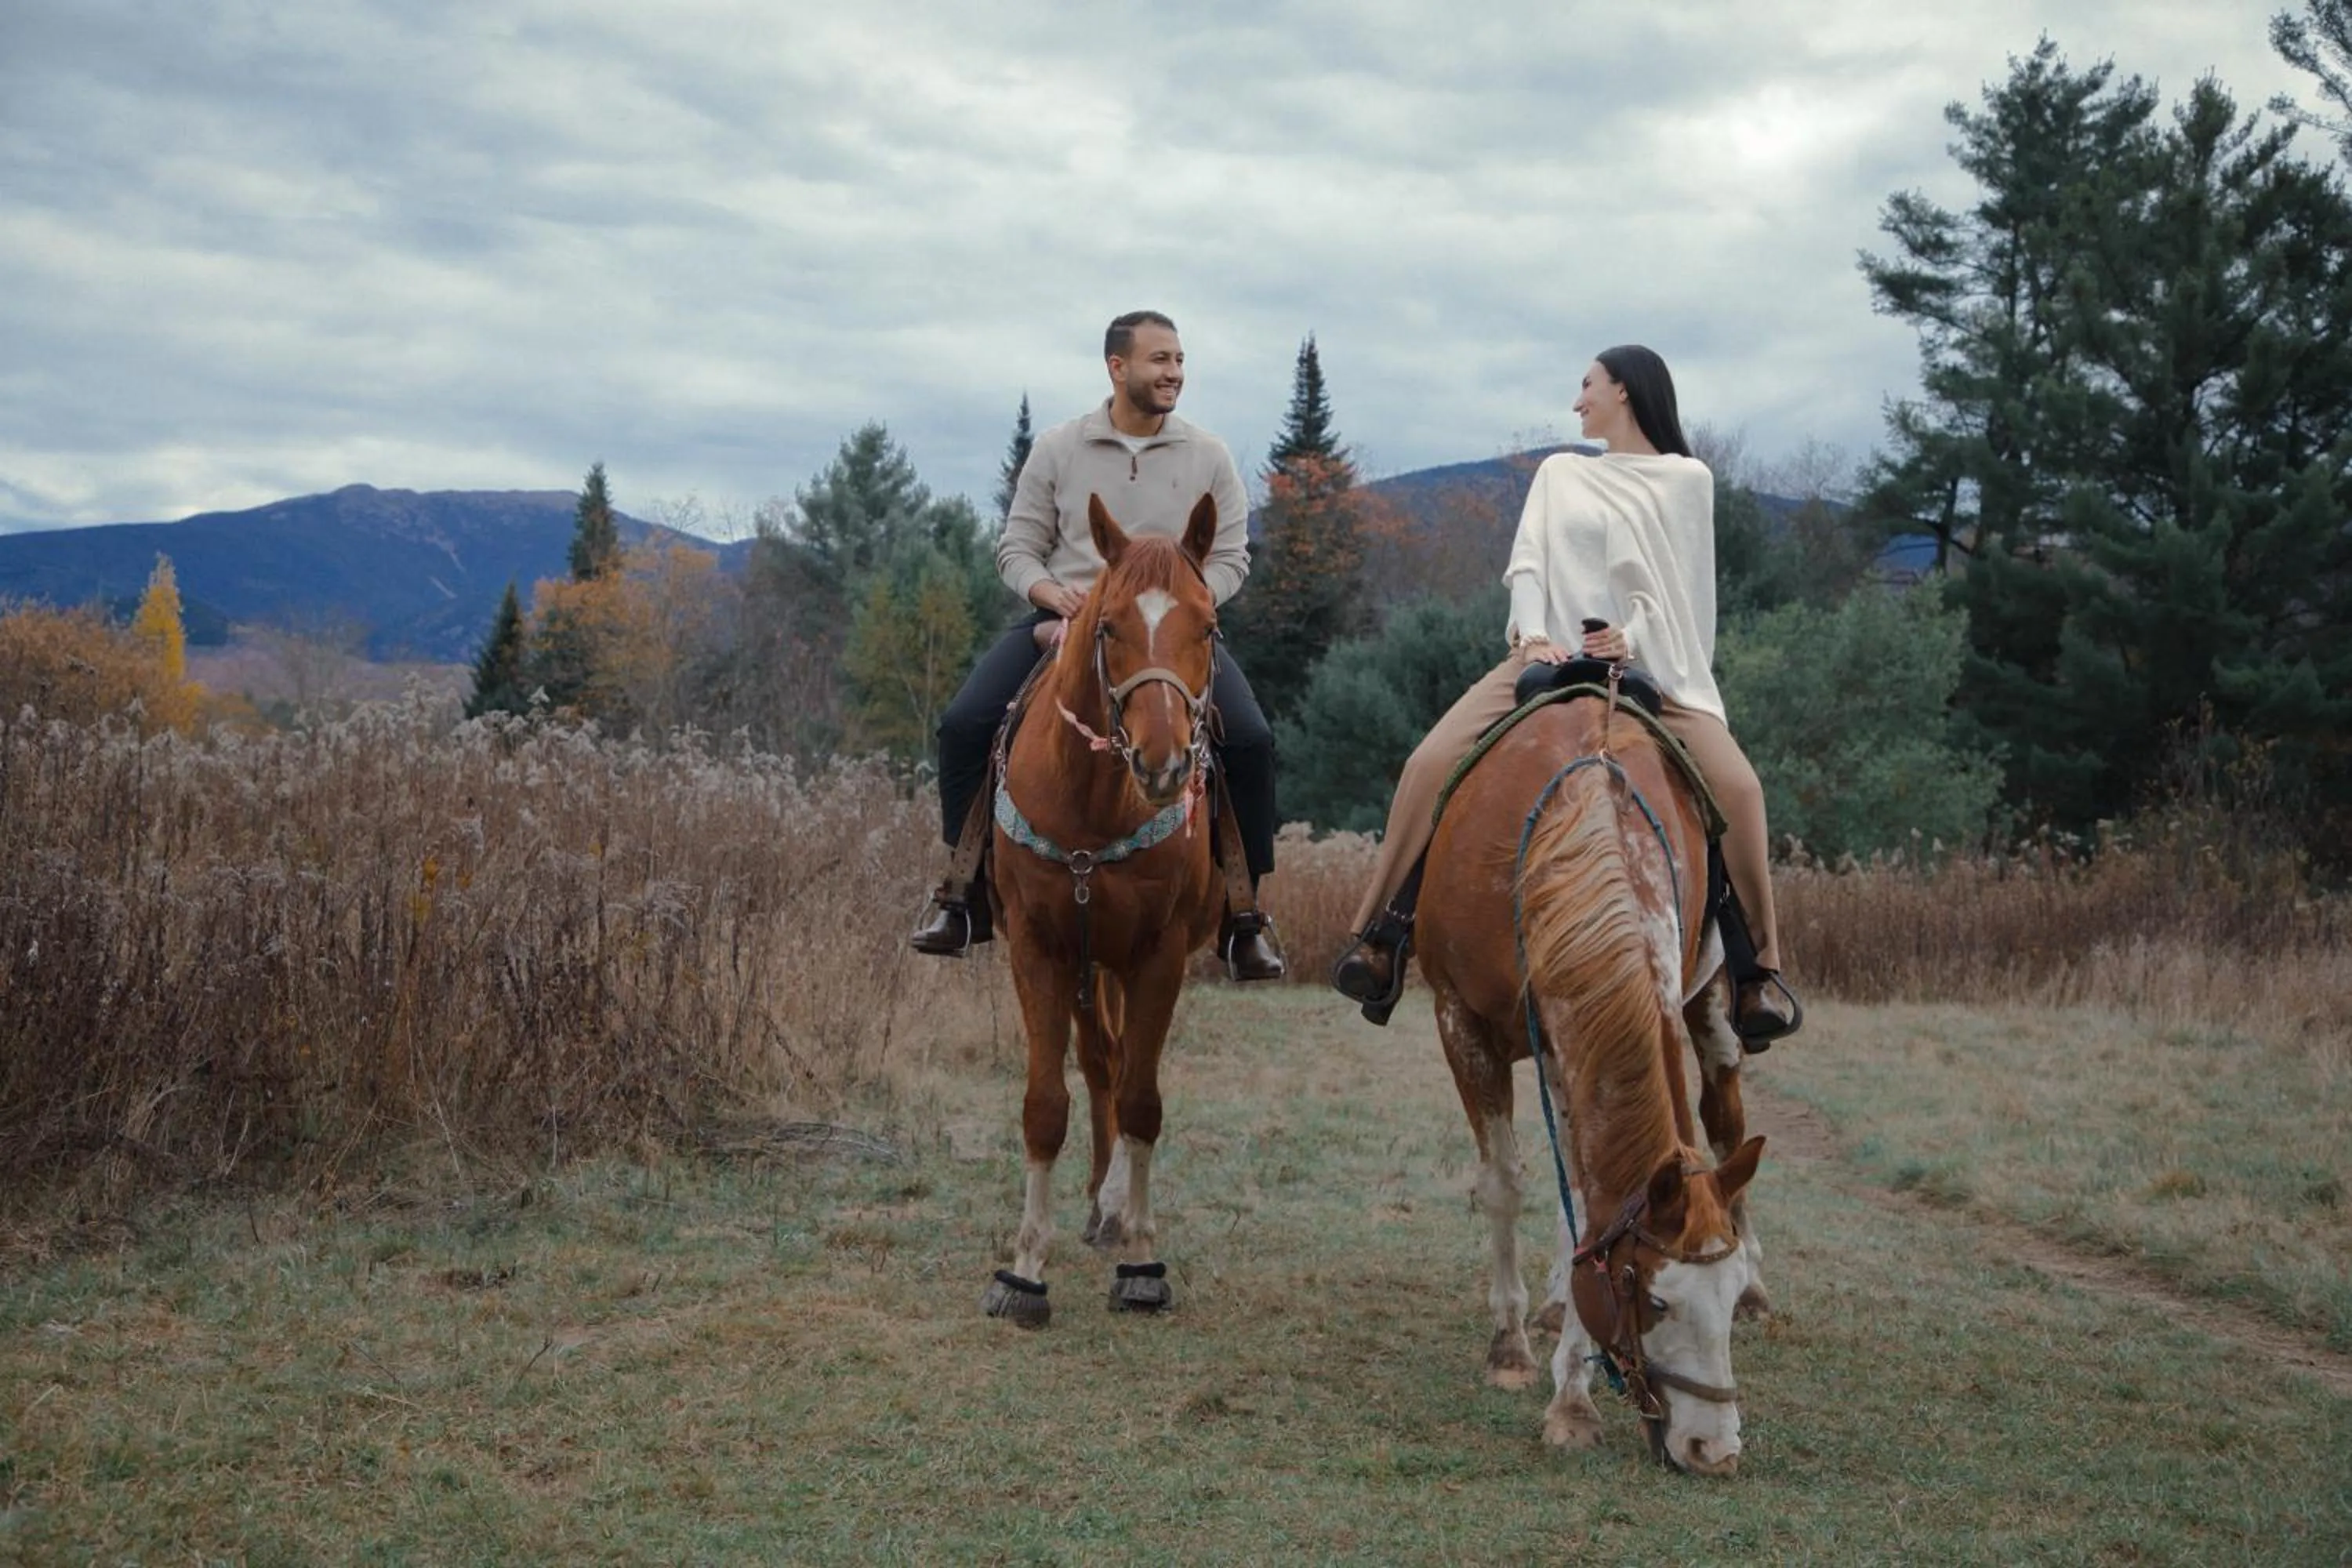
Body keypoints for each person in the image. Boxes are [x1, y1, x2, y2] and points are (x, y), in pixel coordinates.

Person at [1330, 344, 1798, 1040]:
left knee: (1742, 789)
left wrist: (1631, 638)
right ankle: (1382, 932)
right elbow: (1528, 563)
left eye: (1588, 386)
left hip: (1650, 669)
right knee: (1428, 763)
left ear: (1626, 393)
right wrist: (1530, 633)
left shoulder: (1687, 480)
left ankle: (1757, 970)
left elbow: (1686, 597)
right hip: (1543, 655)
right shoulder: (1559, 473)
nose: (1578, 401)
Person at [909, 310, 1287, 979]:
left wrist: (1187, 607)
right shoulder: (1060, 448)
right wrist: (1053, 599)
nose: (1173, 373)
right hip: (1066, 621)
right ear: (1118, 367)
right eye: (1159, 360)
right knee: (965, 723)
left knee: (1251, 741)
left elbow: (1232, 556)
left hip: (1170, 637)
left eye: (1178, 360)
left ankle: (1244, 913)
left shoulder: (1210, 456)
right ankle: (961, 892)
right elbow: (1017, 548)